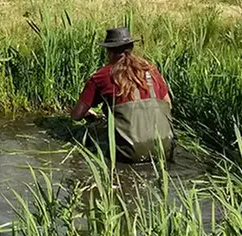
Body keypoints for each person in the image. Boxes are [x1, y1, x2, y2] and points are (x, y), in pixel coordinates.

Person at [70, 27, 176, 164]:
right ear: (131, 47)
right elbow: (168, 105)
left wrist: (88, 114)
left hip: (128, 153)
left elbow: (76, 116)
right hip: (164, 149)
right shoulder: (151, 71)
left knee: (91, 136)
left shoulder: (101, 76)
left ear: (108, 51)